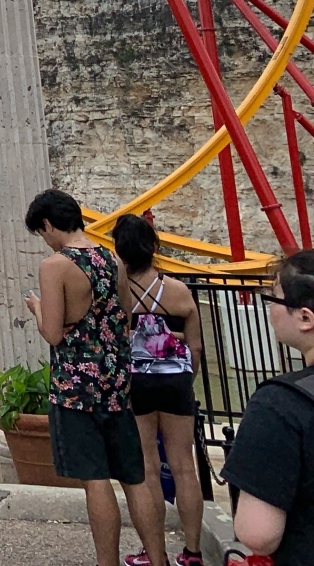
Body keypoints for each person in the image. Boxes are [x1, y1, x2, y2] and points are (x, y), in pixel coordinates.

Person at [23, 189, 164, 566]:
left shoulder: (56, 265)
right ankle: (158, 559)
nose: (45, 239)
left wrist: (37, 308)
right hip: (115, 381)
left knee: (96, 478)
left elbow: (53, 333)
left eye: (42, 232)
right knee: (133, 477)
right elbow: (126, 318)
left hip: (76, 386)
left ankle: (107, 562)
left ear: (48, 224)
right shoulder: (112, 259)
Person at [113, 213, 204, 566]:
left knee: (148, 466)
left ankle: (155, 554)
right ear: (153, 246)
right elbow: (195, 346)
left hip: (137, 381)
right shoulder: (178, 290)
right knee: (184, 466)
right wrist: (186, 380)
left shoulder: (120, 292)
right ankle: (193, 552)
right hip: (176, 380)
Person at [224, 248, 314, 566]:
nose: (270, 310)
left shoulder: (280, 404)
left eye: (273, 299)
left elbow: (258, 533)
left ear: (305, 318)